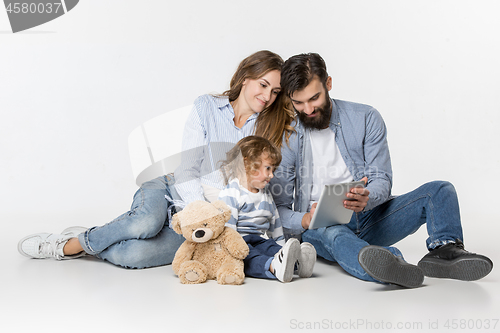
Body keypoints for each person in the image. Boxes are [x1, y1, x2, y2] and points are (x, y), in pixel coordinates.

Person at [17, 50, 295, 269]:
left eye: (274, 91)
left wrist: (208, 224)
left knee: (134, 255)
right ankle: (72, 244)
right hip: (173, 190)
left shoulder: (268, 128)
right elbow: (188, 169)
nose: (267, 96)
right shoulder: (207, 107)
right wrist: (198, 214)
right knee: (145, 224)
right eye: (263, 84)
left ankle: (104, 235)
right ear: (246, 77)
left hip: (211, 221)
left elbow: (259, 186)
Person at [271, 52, 493, 288]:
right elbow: (279, 209)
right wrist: (305, 219)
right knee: (335, 235)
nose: (307, 109)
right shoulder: (288, 136)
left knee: (439, 190)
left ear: (329, 84)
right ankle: (388, 264)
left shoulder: (365, 117)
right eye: (298, 102)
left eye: (314, 98)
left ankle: (444, 251)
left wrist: (368, 197)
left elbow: (381, 178)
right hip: (320, 226)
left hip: (369, 214)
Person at [218, 136, 316, 283]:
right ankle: (272, 267)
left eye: (273, 170)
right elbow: (227, 230)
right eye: (268, 169)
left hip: (260, 240)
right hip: (240, 244)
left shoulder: (265, 194)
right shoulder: (232, 192)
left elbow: (275, 223)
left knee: (270, 247)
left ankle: (297, 263)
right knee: (251, 256)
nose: (272, 175)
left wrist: (282, 248)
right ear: (247, 165)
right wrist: (229, 255)